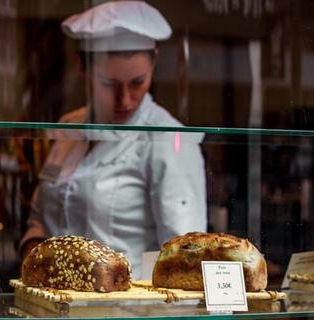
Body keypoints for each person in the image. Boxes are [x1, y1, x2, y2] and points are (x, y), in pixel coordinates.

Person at [19, 1, 207, 279]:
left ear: (154, 61)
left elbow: (185, 259)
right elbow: (41, 216)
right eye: (109, 84)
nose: (125, 99)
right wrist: (33, 259)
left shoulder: (169, 138)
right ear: (80, 66)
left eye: (137, 82)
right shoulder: (68, 128)